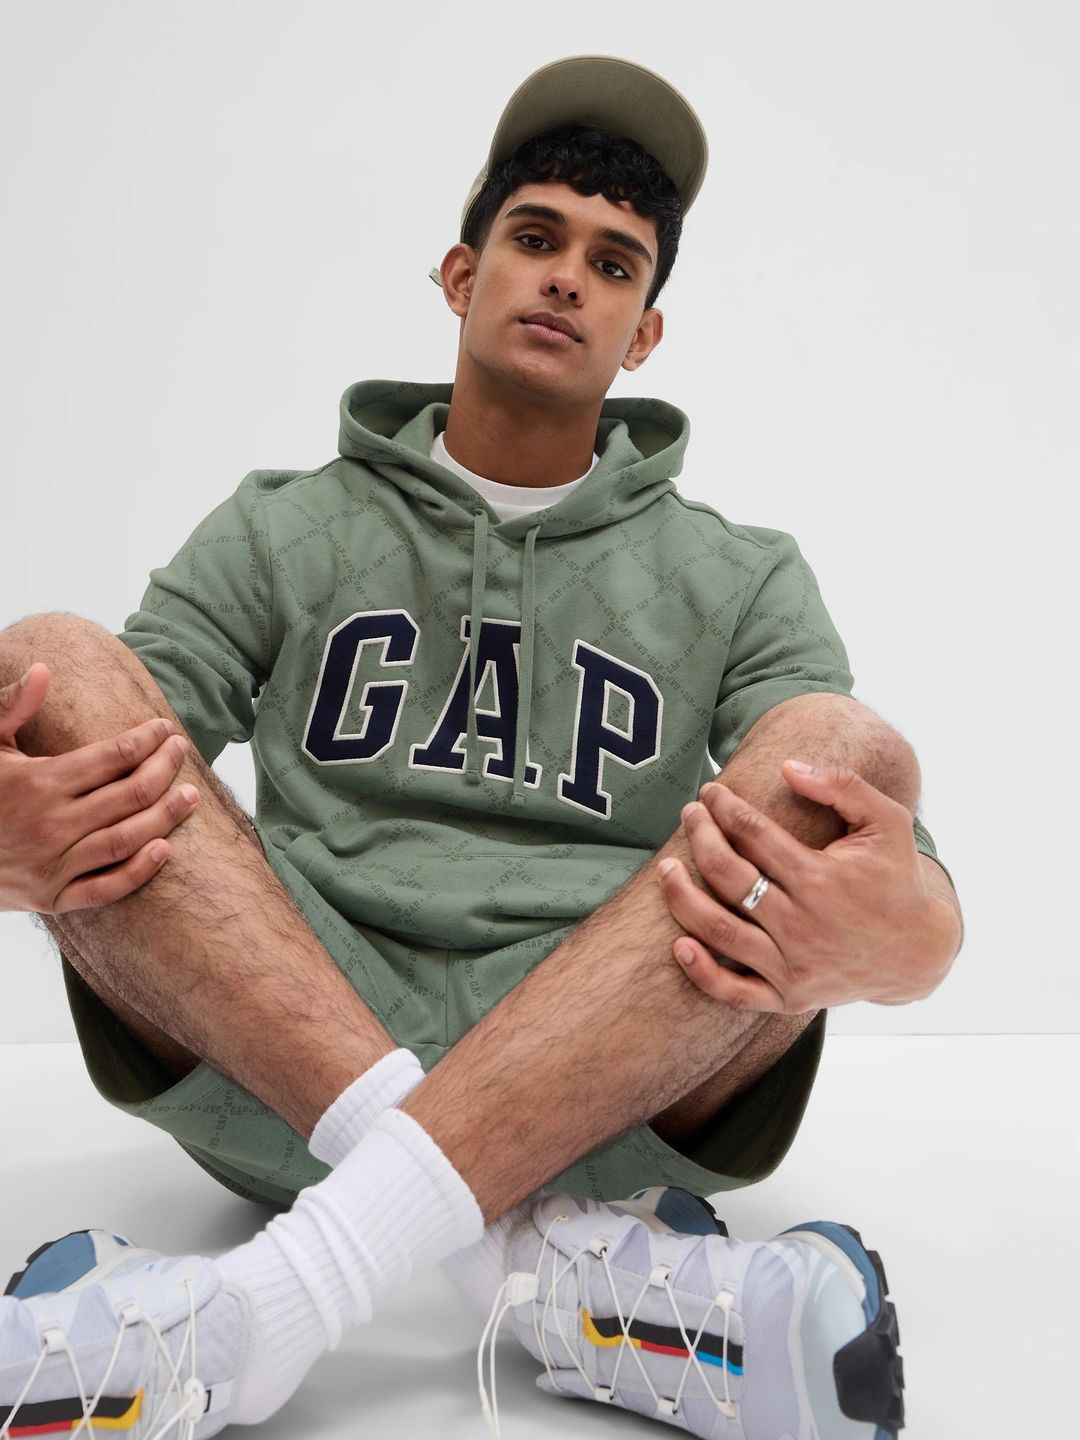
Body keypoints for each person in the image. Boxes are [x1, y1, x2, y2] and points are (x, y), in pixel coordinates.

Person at [0, 54, 961, 1440]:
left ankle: (265, 1304)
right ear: (461, 277)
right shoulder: (281, 527)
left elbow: (876, 843)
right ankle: (551, 1275)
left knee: (841, 744)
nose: (568, 278)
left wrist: (917, 933)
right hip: (288, 1060)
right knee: (48, 659)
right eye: (535, 238)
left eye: (613, 263)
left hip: (604, 1075)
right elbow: (89, 736)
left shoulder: (741, 574)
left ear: (645, 334)